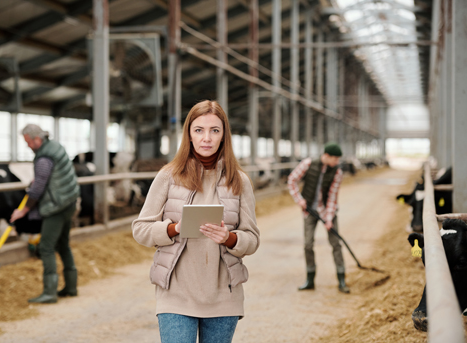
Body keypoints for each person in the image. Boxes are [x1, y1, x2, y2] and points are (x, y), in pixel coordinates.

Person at [132, 100, 260, 343]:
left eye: (215, 130)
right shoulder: (168, 176)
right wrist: (173, 229)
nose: (207, 138)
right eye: (199, 130)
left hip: (223, 296)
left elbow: (252, 239)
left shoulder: (239, 181)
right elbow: (140, 229)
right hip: (176, 294)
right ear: (189, 135)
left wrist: (230, 238)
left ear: (224, 136)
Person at [10, 124, 80, 304]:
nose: (27, 146)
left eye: (28, 142)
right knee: (63, 244)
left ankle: (50, 292)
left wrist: (23, 210)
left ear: (37, 139)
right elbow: (50, 176)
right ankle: (71, 287)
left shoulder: (44, 158)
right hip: (69, 202)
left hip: (56, 206)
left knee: (46, 247)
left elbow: (39, 187)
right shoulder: (55, 147)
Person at [287, 142, 350, 293]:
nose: (337, 162)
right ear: (326, 156)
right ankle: (310, 279)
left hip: (327, 210)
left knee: (336, 244)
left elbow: (333, 197)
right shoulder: (308, 164)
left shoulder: (337, 172)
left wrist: (329, 219)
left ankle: (341, 280)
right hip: (309, 210)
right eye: (335, 159)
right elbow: (291, 180)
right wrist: (299, 199)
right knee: (308, 244)